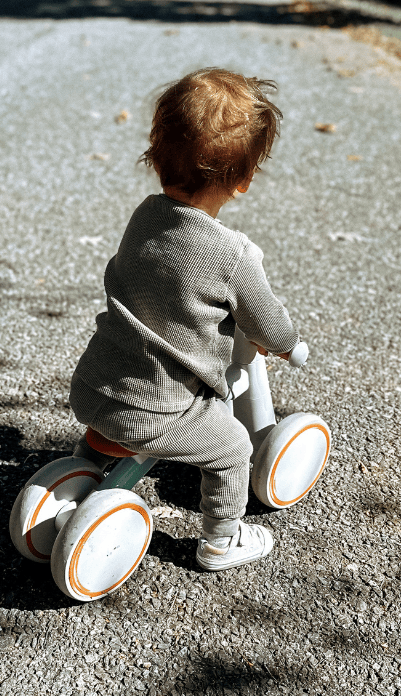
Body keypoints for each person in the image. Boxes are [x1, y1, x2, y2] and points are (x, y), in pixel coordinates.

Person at [69, 68, 300, 571]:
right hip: (156, 410)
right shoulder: (231, 254)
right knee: (234, 447)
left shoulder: (144, 216)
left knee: (130, 401)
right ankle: (221, 542)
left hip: (91, 388)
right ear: (243, 181)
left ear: (156, 159)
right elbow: (266, 325)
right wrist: (288, 344)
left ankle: (80, 469)